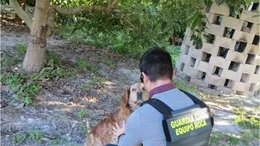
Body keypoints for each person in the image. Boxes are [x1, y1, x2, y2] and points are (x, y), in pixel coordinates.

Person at [111, 47, 196, 146]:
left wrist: (121, 135)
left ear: (145, 77)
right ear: (173, 73)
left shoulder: (141, 116)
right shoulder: (196, 102)